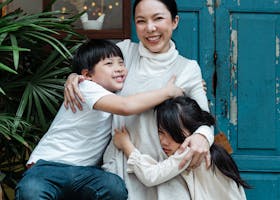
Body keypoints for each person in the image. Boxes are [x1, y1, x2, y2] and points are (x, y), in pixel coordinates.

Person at [64, 0, 214, 199]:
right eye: (141, 21)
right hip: (119, 170)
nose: (150, 28)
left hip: (163, 172)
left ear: (174, 21)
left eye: (158, 18)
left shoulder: (187, 68)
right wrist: (74, 77)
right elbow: (92, 69)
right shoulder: (125, 52)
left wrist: (201, 137)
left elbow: (206, 121)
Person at [15, 39, 183, 200]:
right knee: (31, 191)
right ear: (87, 75)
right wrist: (168, 92)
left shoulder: (114, 94)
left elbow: (139, 95)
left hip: (85, 173)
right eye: (109, 64)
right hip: (48, 167)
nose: (119, 69)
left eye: (121, 63)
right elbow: (126, 106)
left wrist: (188, 87)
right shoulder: (85, 87)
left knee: (114, 187)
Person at [114, 96, 251, 200]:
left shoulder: (189, 152)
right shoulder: (214, 152)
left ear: (193, 131)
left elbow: (151, 175)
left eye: (172, 134)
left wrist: (126, 145)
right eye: (161, 132)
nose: (164, 142)